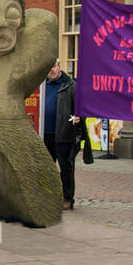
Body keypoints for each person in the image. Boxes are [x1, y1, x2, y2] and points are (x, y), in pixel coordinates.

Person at [52, 63, 81, 210]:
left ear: (59, 66)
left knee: (65, 168)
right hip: (45, 134)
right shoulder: (41, 86)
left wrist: (79, 117)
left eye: (54, 66)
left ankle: (67, 198)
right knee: (45, 169)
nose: (51, 70)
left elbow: (80, 108)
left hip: (64, 134)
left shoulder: (70, 86)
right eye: (48, 67)